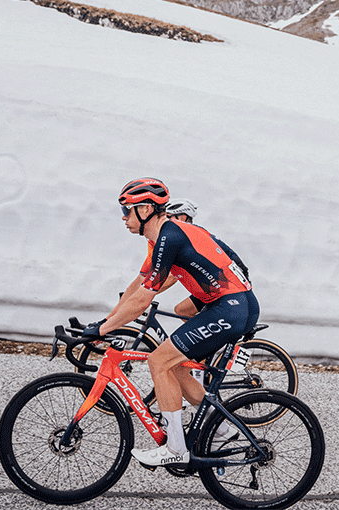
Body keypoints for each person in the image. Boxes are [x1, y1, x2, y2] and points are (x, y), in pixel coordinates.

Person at [83, 178, 259, 467]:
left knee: (158, 361)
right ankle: (222, 429)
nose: (124, 219)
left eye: (127, 211)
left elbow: (142, 301)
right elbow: (139, 286)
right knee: (174, 364)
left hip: (229, 307)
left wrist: (101, 330)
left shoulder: (170, 236)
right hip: (230, 303)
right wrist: (106, 320)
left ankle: (176, 447)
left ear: (146, 209)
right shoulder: (162, 238)